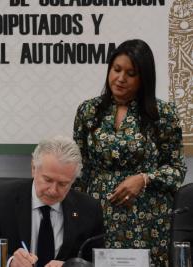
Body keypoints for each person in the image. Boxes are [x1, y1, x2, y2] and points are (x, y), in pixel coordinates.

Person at [73, 39, 187, 266]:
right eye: (116, 70)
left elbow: (176, 170)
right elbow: (78, 168)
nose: (120, 78)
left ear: (143, 78)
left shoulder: (162, 114)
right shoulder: (89, 111)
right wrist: (75, 214)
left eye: (130, 73)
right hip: (98, 216)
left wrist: (144, 179)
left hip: (146, 220)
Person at [0, 136, 104, 267]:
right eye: (48, 180)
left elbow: (98, 262)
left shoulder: (89, 209)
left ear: (73, 180)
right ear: (34, 168)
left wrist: (71, 266)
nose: (53, 190)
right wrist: (10, 262)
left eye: (63, 184)